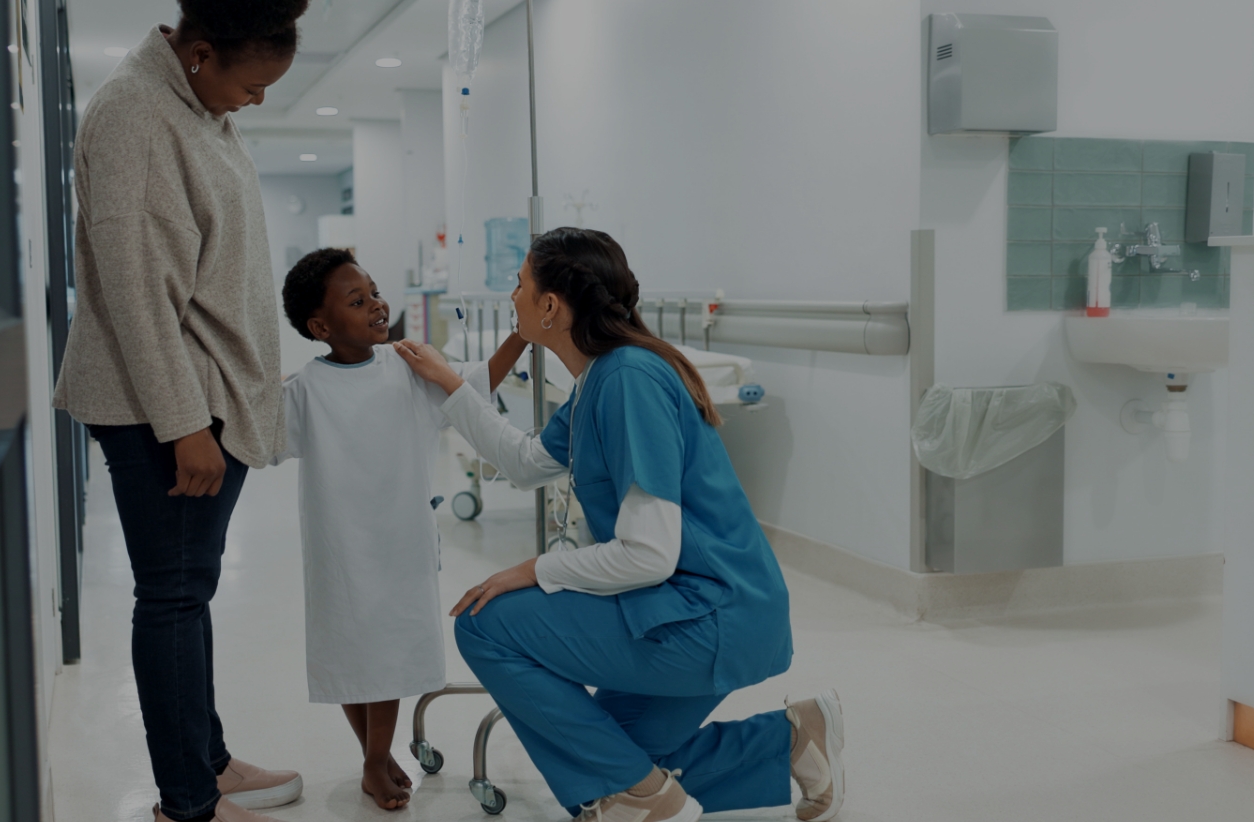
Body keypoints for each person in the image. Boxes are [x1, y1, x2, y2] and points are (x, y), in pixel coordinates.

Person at [392, 227, 846, 822]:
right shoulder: (597, 382)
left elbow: (648, 553)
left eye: (520, 283)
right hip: (696, 608)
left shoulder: (628, 379)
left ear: (550, 306)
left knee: (486, 624)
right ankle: (791, 741)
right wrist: (451, 384)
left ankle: (640, 801)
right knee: (623, 753)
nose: (513, 296)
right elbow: (528, 463)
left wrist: (531, 570)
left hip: (710, 616)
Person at [51, 2, 309, 822]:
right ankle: (188, 803)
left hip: (201, 393)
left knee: (186, 590)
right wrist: (182, 425)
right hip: (165, 405)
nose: (257, 101)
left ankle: (209, 759)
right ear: (199, 53)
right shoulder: (134, 112)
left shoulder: (189, 103)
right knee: (170, 596)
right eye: (253, 84)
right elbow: (133, 288)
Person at [272, 248, 527, 810]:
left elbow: (477, 381)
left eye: (375, 292)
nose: (377, 305)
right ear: (320, 327)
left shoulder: (409, 365)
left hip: (398, 542)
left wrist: (523, 335)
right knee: (351, 656)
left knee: (384, 655)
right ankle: (375, 758)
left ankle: (374, 759)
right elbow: (262, 439)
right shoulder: (305, 390)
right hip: (339, 547)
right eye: (356, 301)